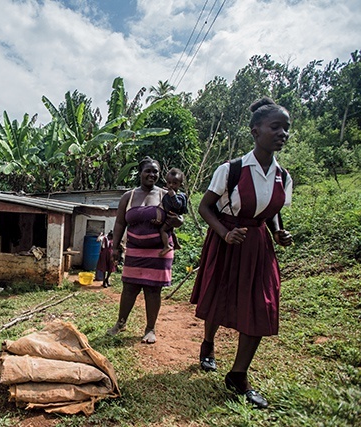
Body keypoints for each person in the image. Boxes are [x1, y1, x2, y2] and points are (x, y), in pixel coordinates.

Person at [190, 97, 293, 409]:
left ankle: (238, 375)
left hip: (259, 245)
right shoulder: (231, 169)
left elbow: (271, 210)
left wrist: (278, 231)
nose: (283, 133)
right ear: (255, 130)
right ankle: (208, 345)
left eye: (286, 128)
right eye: (276, 127)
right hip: (228, 239)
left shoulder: (283, 176)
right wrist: (225, 233)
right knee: (220, 297)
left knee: (263, 306)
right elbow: (205, 207)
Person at [107, 156, 183, 344]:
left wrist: (179, 221)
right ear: (140, 173)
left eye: (155, 171)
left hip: (159, 252)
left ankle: (150, 329)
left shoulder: (166, 195)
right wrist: (115, 247)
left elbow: (180, 215)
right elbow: (119, 223)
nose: (152, 174)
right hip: (134, 250)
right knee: (129, 288)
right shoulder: (129, 196)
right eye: (148, 171)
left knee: (152, 290)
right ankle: (121, 323)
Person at [158, 168, 188, 256]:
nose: (171, 185)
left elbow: (178, 205)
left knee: (163, 230)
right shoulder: (168, 192)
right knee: (170, 231)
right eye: (169, 182)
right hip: (169, 216)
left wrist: (173, 196)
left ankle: (166, 246)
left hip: (173, 217)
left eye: (175, 183)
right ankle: (177, 244)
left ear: (180, 185)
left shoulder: (179, 196)